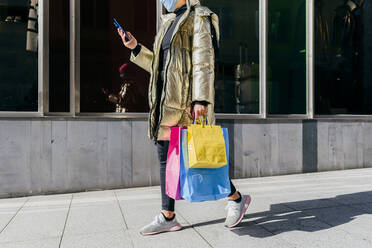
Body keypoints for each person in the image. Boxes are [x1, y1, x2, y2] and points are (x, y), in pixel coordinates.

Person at [118, 0, 251, 235]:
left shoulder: (199, 17)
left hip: (189, 107)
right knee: (164, 157)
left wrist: (200, 99)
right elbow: (160, 66)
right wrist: (136, 47)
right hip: (167, 105)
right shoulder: (169, 22)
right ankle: (167, 215)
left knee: (202, 157)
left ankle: (237, 199)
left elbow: (203, 62)